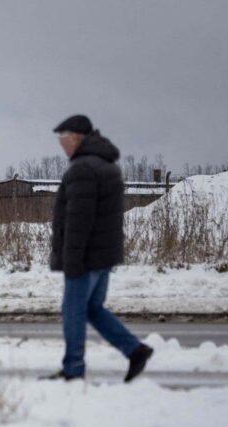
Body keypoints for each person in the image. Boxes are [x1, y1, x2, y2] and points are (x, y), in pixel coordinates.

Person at [43, 114, 153, 383]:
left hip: (86, 257)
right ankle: (135, 350)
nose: (61, 144)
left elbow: (79, 220)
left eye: (63, 138)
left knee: (73, 311)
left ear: (76, 138)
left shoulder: (83, 169)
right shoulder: (107, 166)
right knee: (92, 309)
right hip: (103, 255)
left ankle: (73, 369)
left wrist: (72, 259)